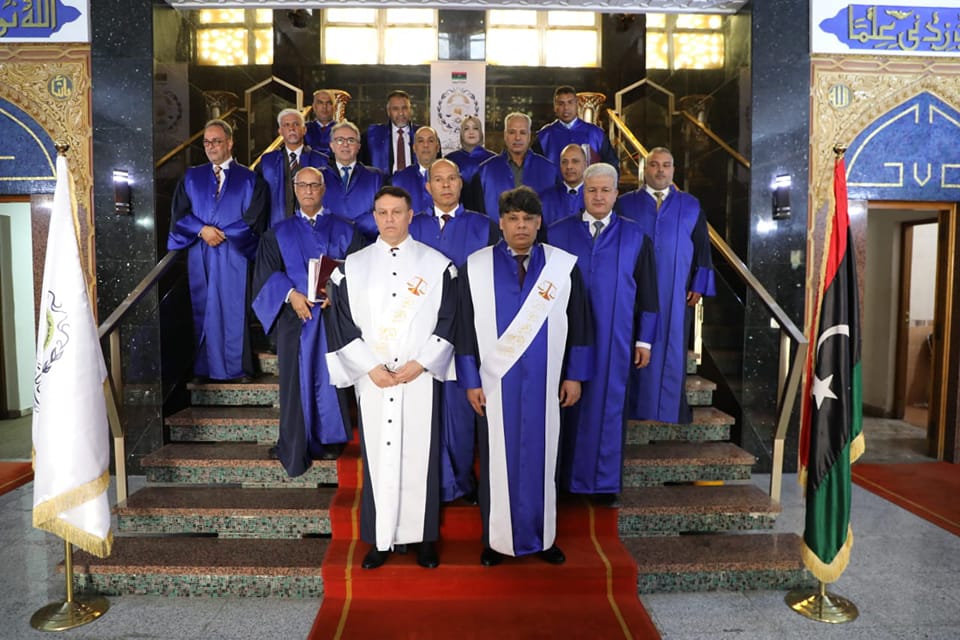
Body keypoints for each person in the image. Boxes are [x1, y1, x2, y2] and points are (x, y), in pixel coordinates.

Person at [456, 186, 592, 567]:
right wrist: (470, 380)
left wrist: (574, 376)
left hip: (547, 383)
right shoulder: (476, 267)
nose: (521, 226)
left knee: (543, 458)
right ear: (501, 223)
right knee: (496, 461)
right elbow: (464, 328)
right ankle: (495, 540)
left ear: (538, 222)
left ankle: (543, 537)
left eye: (528, 219)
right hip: (494, 385)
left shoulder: (561, 267)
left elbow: (581, 323)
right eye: (513, 218)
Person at [324, 185, 457, 570]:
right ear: (374, 216)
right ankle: (381, 539)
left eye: (396, 212)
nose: (389, 219)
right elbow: (340, 323)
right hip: (374, 379)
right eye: (382, 212)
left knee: (420, 456)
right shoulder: (351, 267)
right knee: (379, 458)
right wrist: (369, 367)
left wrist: (422, 363)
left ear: (411, 215)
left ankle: (424, 539)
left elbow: (450, 318)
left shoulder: (438, 265)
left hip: (419, 378)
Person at [547, 163, 659, 505]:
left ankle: (603, 484)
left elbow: (648, 292)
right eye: (592, 190)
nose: (598, 196)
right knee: (566, 406)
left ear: (616, 194)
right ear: (583, 192)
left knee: (607, 407)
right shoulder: (557, 233)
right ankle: (562, 480)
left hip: (616, 337)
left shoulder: (635, 235)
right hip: (565, 337)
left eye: (605, 190)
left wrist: (644, 340)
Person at [252, 167, 363, 477]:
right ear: (295, 189)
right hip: (294, 319)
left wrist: (336, 293)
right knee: (294, 382)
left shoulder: (346, 230)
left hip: (332, 317)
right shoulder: (278, 233)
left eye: (315, 185)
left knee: (331, 378)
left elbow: (359, 269)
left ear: (324, 189)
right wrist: (291, 295)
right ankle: (294, 441)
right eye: (303, 185)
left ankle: (330, 439)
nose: (309, 190)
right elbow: (266, 275)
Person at [409, 158, 499, 504]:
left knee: (461, 412)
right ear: (427, 186)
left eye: (452, 179)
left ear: (461, 183)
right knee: (425, 411)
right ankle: (429, 482)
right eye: (438, 180)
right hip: (422, 332)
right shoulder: (412, 225)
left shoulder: (485, 226)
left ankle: (460, 482)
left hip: (468, 331)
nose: (445, 185)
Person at [618, 147, 715, 424]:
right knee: (635, 343)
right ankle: (635, 406)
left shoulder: (690, 205)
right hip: (634, 289)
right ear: (644, 169)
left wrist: (699, 283)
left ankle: (670, 408)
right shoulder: (625, 204)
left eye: (666, 165)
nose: (660, 170)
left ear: (673, 170)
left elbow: (702, 247)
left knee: (671, 346)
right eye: (654, 164)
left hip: (676, 289)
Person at [168, 118, 267, 382]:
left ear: (230, 143)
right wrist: (202, 230)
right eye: (206, 142)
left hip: (235, 252)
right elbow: (179, 213)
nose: (211, 146)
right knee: (204, 308)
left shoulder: (250, 179)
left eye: (217, 141)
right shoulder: (192, 177)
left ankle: (239, 368)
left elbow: (255, 218)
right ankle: (204, 368)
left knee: (234, 309)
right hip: (200, 252)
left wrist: (224, 234)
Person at [470, 112, 559, 219]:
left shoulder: (549, 170)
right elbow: (476, 216)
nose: (517, 138)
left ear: (529, 136)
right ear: (505, 135)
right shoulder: (484, 171)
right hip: (495, 230)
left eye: (522, 132)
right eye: (512, 132)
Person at [257, 108, 329, 228]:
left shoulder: (322, 161)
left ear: (304, 130)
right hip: (276, 228)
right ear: (280, 131)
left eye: (296, 124)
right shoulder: (267, 162)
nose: (291, 128)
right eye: (286, 125)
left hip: (313, 229)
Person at [321, 120, 385, 241]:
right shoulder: (319, 177)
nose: (345, 144)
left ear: (358, 146)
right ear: (332, 146)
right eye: (340, 140)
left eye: (351, 140)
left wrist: (354, 229)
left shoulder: (376, 176)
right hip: (328, 244)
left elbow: (383, 213)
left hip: (367, 244)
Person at [533, 85, 619, 170]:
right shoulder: (544, 135)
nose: (566, 108)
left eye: (570, 102)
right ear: (555, 107)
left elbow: (612, 166)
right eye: (561, 103)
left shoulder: (596, 133)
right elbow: (533, 168)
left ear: (577, 104)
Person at [362, 90, 422, 175]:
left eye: (404, 108)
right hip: (383, 182)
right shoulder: (371, 136)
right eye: (395, 109)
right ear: (388, 112)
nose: (401, 113)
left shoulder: (423, 134)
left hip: (416, 182)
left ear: (410, 110)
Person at [389, 126, 441, 214]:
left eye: (431, 141)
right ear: (414, 148)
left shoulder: (450, 176)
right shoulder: (399, 179)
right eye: (421, 141)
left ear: (437, 147)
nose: (426, 145)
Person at [538, 143, 587, 227]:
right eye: (564, 162)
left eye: (575, 161)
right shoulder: (544, 198)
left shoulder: (596, 197)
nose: (569, 166)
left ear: (585, 164)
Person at [444, 115, 496, 187]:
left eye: (475, 128)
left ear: (481, 133)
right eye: (466, 129)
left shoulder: (494, 159)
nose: (471, 132)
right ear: (461, 133)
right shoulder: (449, 159)